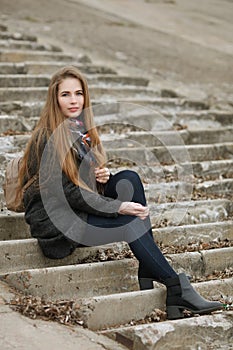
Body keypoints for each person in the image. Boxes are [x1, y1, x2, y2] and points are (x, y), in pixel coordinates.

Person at [17, 66, 222, 320]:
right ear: (54, 99)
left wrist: (99, 178)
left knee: (129, 179)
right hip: (56, 222)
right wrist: (118, 207)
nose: (73, 101)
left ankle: (148, 268)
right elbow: (65, 193)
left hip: (75, 208)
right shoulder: (46, 137)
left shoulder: (79, 131)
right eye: (65, 95)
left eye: (78, 94)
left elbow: (78, 183)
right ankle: (175, 287)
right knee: (131, 224)